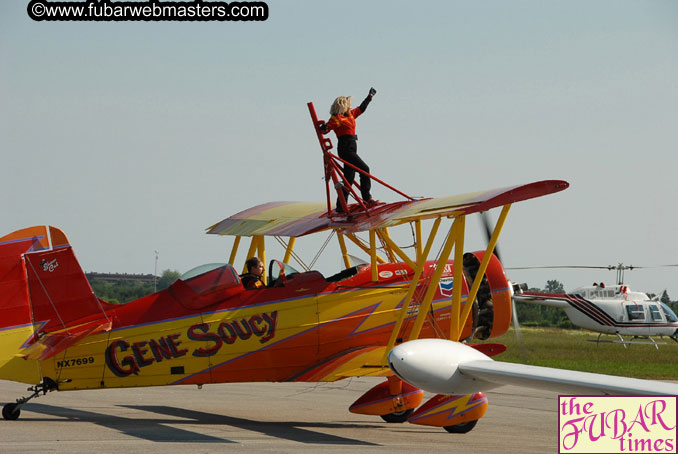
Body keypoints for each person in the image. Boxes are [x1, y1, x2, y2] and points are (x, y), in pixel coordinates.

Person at [320, 87, 377, 212]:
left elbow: (361, 108)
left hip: (352, 146)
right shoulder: (337, 118)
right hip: (345, 148)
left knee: (349, 178)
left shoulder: (350, 114)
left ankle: (341, 206)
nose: (349, 107)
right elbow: (327, 128)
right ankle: (367, 198)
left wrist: (369, 97)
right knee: (365, 169)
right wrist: (324, 128)